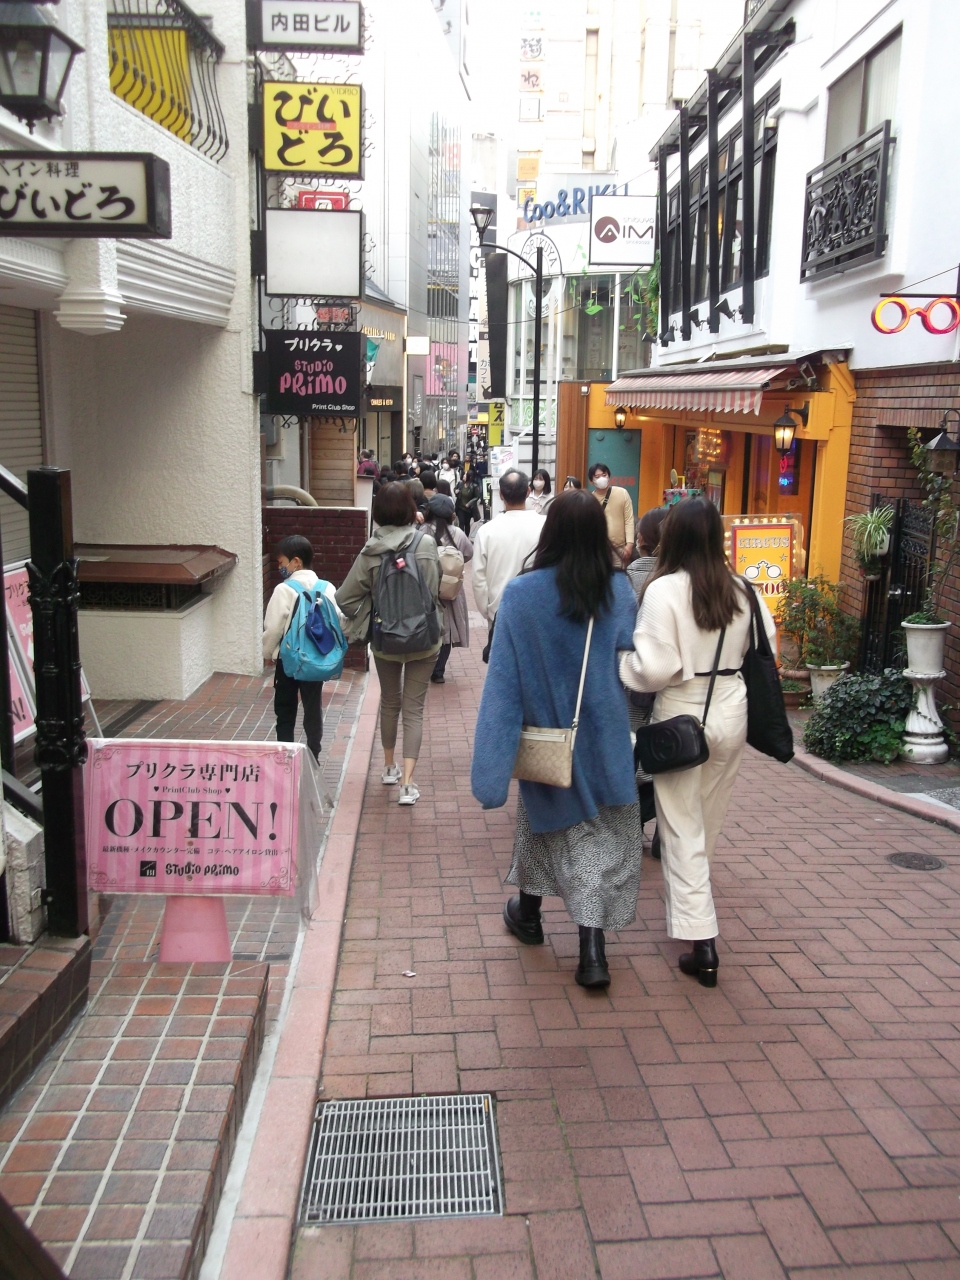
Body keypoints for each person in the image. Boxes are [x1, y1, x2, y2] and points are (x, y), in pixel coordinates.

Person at [472, 490, 640, 989]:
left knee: (561, 830)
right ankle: (531, 914)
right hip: (605, 739)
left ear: (552, 533)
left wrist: (490, 771)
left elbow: (503, 687)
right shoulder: (619, 592)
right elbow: (633, 664)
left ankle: (591, 952)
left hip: (547, 741)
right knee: (586, 835)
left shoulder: (522, 595)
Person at [620, 497, 776, 988]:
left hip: (681, 711)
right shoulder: (743, 588)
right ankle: (696, 913)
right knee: (707, 818)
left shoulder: (663, 589)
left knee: (680, 824)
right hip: (732, 705)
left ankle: (701, 937)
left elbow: (654, 670)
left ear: (674, 536)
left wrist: (624, 664)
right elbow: (767, 645)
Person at [337, 483, 441, 807]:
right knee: (414, 710)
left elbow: (344, 598)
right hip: (424, 639)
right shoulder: (426, 544)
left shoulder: (370, 551)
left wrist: (371, 610)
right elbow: (434, 591)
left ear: (378, 513)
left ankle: (388, 767)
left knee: (390, 702)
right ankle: (407, 785)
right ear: (411, 509)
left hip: (385, 640)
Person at [262, 535, 340, 762]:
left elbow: (273, 628)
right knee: (313, 708)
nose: (280, 567)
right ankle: (314, 755)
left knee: (285, 708)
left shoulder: (284, 589)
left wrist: (268, 653)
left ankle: (286, 756)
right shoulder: (327, 587)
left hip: (288, 660)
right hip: (315, 659)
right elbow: (338, 620)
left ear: (295, 561)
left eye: (281, 562)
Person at [625, 506, 670, 860]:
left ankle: (632, 824)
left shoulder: (628, 578)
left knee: (633, 748)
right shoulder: (680, 579)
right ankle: (663, 830)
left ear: (641, 538)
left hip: (636, 680)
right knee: (666, 754)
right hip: (672, 683)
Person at [472, 470, 545, 658]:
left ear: (501, 494)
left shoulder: (486, 531)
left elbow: (478, 579)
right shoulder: (546, 525)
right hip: (538, 610)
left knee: (502, 665)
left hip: (499, 611)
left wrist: (488, 611)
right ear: (528, 491)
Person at [424, 494, 472, 683]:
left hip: (427, 586)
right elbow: (468, 554)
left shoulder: (422, 531)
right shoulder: (458, 533)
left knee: (428, 625)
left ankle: (426, 666)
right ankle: (439, 670)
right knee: (448, 628)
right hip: (451, 587)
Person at [588, 462, 635, 567]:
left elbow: (629, 520)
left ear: (609, 476)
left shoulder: (622, 493)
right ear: (591, 481)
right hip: (599, 550)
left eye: (604, 475)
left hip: (620, 549)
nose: (602, 478)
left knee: (618, 575)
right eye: (597, 477)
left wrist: (629, 544)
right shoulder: (590, 500)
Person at [456, 469, 482, 536]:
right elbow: (455, 489)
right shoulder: (460, 483)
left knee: (467, 523)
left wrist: (469, 503)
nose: (464, 476)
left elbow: (477, 497)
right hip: (460, 507)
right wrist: (456, 491)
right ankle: (461, 537)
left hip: (468, 509)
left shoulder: (474, 486)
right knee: (461, 522)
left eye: (465, 474)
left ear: (469, 477)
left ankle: (466, 536)